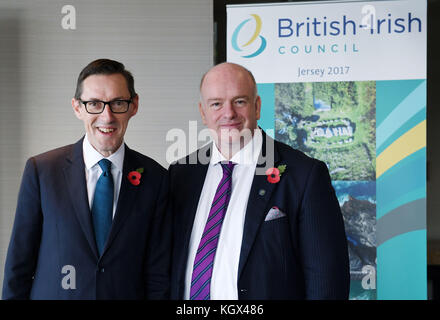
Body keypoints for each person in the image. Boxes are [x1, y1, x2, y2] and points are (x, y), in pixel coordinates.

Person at [169, 62, 350, 300]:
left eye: (240, 101)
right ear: (203, 113)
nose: (228, 113)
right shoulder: (180, 175)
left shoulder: (304, 175)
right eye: (216, 104)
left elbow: (327, 282)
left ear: (257, 106)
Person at [2, 59, 170, 300]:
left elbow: (158, 275)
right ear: (77, 107)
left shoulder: (156, 179)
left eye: (118, 103)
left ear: (134, 105)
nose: (107, 116)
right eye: (94, 104)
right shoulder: (42, 171)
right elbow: (18, 267)